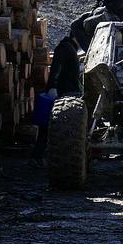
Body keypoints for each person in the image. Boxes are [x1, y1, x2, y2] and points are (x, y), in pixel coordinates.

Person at [30, 35, 81, 166]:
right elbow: (55, 69)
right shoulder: (65, 48)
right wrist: (53, 87)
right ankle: (38, 156)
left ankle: (41, 156)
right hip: (61, 94)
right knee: (48, 127)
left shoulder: (69, 48)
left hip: (65, 94)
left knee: (51, 127)